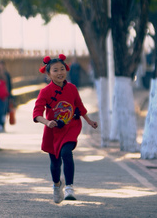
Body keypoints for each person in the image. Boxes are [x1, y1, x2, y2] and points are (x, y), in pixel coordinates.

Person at [32, 54, 98, 204]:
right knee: (55, 164)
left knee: (66, 152)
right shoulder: (45, 92)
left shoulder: (72, 88)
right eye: (55, 70)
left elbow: (80, 107)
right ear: (48, 74)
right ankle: (57, 185)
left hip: (71, 127)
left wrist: (89, 121)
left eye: (62, 69)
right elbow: (36, 114)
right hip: (53, 131)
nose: (60, 72)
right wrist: (47, 122)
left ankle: (69, 187)